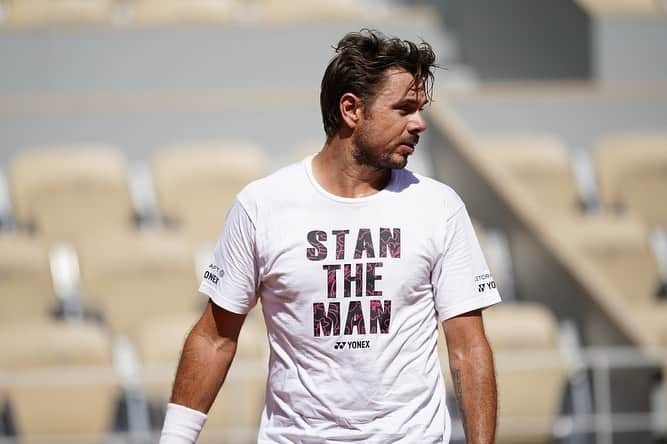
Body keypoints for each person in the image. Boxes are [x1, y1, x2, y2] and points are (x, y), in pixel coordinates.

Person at [160, 29, 500, 444]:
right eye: (404, 109)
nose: (420, 123)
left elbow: (468, 346)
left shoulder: (439, 208)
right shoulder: (261, 207)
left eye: (420, 109)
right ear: (352, 109)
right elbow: (215, 337)